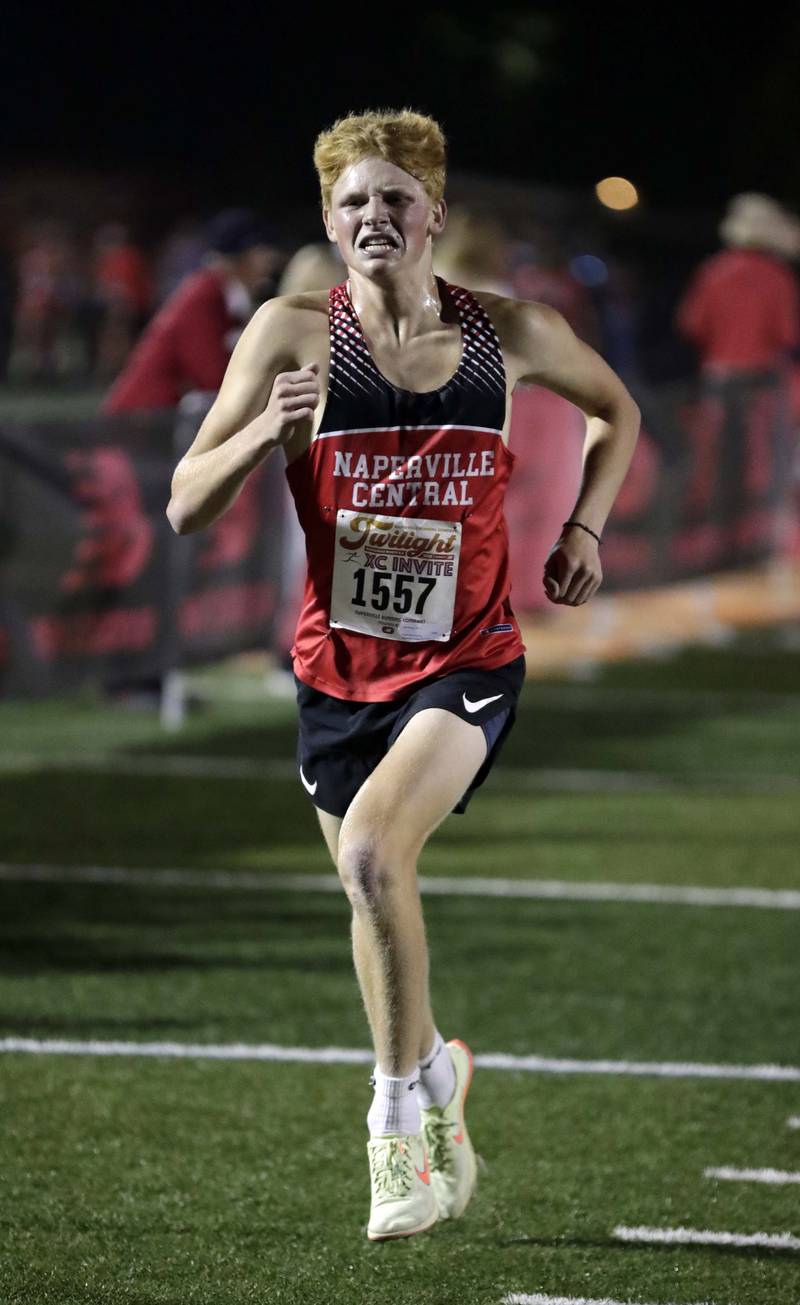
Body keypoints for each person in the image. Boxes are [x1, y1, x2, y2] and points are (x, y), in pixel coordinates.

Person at [166, 109, 640, 1241]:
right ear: (329, 225)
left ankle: (393, 1134)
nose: (373, 217)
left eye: (393, 198)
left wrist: (583, 529)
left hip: (467, 658)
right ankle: (434, 1075)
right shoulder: (288, 335)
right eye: (351, 203)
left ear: (433, 213)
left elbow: (615, 411)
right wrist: (256, 437)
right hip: (337, 671)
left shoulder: (511, 331)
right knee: (368, 894)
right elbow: (185, 503)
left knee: (378, 853)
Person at [103, 209, 281, 414]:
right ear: (239, 255)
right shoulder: (206, 295)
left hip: (157, 423)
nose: (272, 260)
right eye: (263, 250)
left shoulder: (223, 296)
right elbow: (214, 378)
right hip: (139, 425)